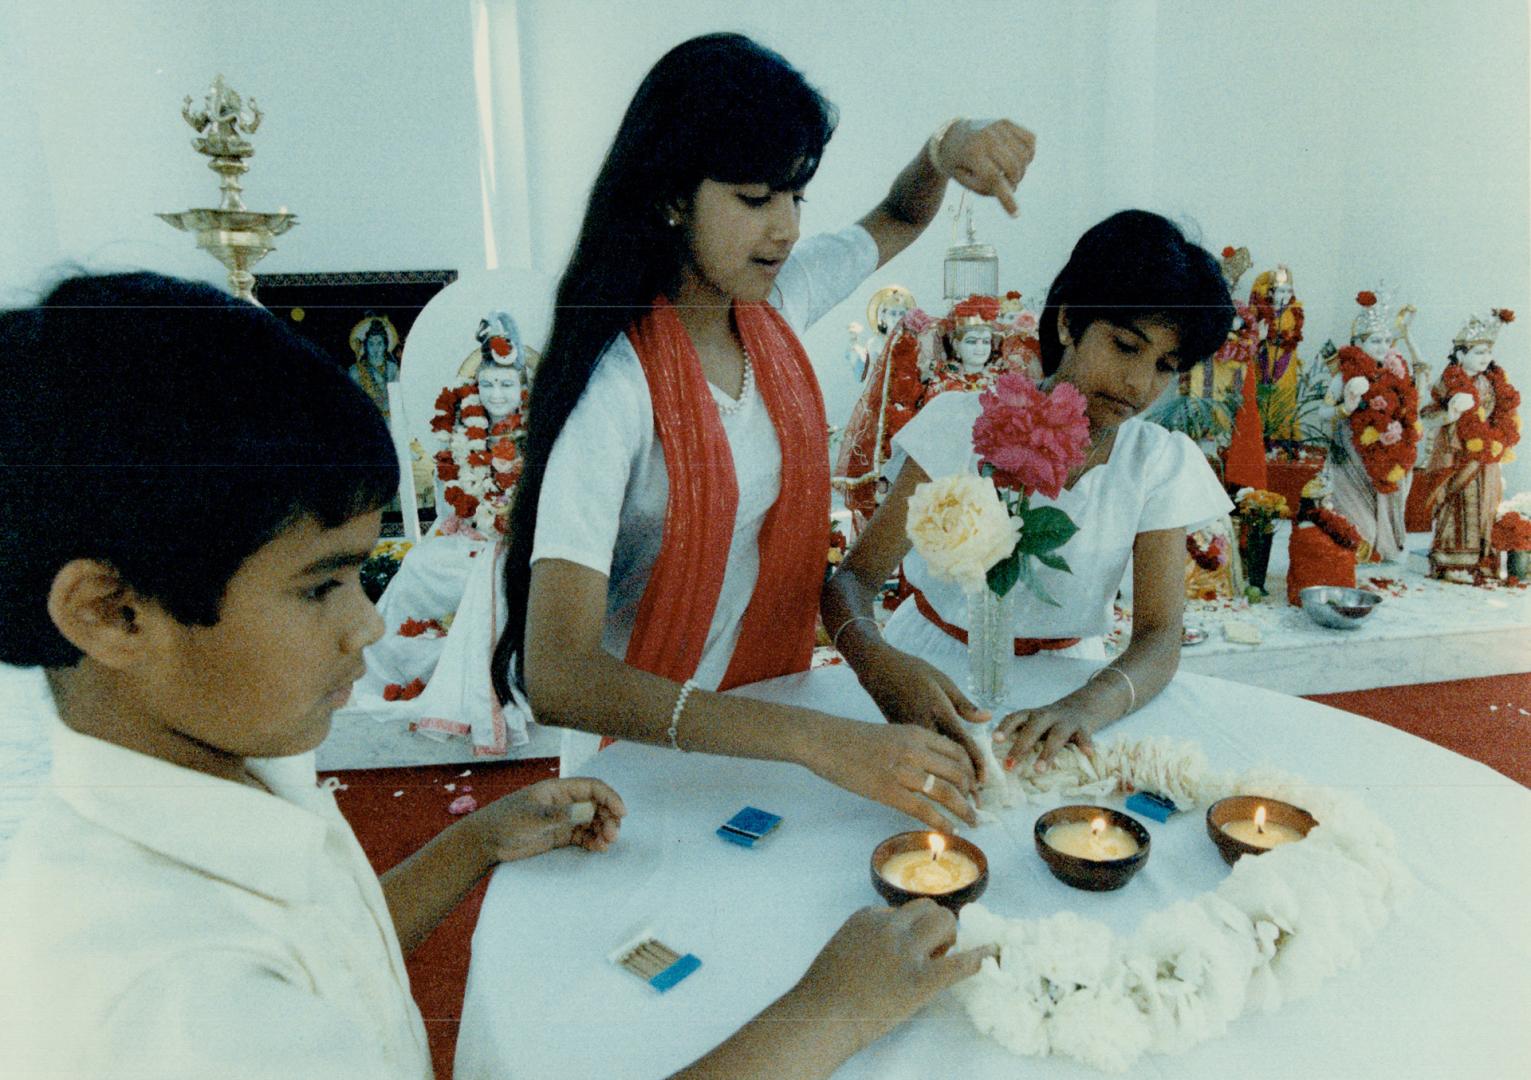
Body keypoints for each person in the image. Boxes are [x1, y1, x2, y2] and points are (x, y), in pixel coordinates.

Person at [0, 272, 993, 1079]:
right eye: (320, 588)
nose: (369, 624)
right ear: (114, 613)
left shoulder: (207, 771)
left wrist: (468, 847)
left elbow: (321, 954)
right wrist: (826, 1017)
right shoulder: (179, 1014)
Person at [492, 33, 1035, 829]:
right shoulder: (615, 391)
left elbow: (898, 214)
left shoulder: (772, 302)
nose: (784, 230)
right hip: (636, 769)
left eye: (796, 196)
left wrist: (944, 147)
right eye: (755, 199)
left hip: (761, 722)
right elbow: (559, 672)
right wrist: (817, 739)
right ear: (673, 196)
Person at [823, 211, 1234, 770]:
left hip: (1075, 689)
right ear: (1069, 323)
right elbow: (853, 579)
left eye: (1166, 365)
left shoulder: (1155, 461)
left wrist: (1085, 706)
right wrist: (881, 667)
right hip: (927, 671)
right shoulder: (958, 425)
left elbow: (1159, 638)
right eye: (1125, 346)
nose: (1141, 385)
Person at [350, 311, 532, 755]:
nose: (496, 394)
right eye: (487, 385)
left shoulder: (537, 433)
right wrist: (468, 519)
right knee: (418, 562)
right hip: (470, 535)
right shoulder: (463, 430)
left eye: (506, 385)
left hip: (520, 540)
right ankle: (407, 653)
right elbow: (458, 496)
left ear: (523, 388)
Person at [1321, 290, 1420, 562]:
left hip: (1386, 453)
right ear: (1357, 343)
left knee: (1386, 505)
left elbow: (1410, 409)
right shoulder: (1344, 376)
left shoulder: (1396, 374)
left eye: (1388, 340)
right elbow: (1322, 412)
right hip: (1350, 455)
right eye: (1375, 340)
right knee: (1359, 526)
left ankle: (1384, 545)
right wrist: (1347, 407)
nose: (1383, 345)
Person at [1424, 308, 1521, 580]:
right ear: (1460, 354)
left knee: (1487, 503)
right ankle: (1453, 563)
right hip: (1456, 455)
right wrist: (1451, 414)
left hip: (1487, 456)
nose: (1485, 358)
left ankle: (1480, 562)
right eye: (1479, 353)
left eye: (1488, 353)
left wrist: (1499, 439)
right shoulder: (1447, 382)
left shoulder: (1493, 382)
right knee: (1457, 503)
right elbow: (1427, 416)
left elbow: (1504, 415)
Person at [349, 312, 403, 421]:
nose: (375, 349)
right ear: (365, 346)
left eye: (379, 343)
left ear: (385, 345)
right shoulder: (355, 371)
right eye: (371, 344)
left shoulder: (393, 369)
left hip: (392, 420)